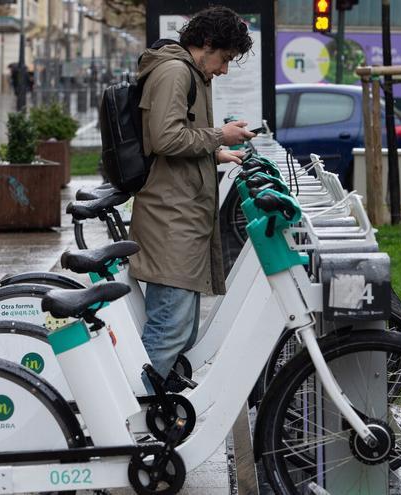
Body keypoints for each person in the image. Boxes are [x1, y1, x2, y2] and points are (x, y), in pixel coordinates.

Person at [128, 6, 255, 391]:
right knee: (169, 330)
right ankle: (135, 414)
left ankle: (155, 409)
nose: (224, 69)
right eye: (225, 58)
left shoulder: (190, 72)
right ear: (207, 43)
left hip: (181, 216)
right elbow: (165, 138)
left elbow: (177, 139)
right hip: (171, 220)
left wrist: (216, 152)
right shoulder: (175, 72)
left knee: (180, 330)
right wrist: (219, 136)